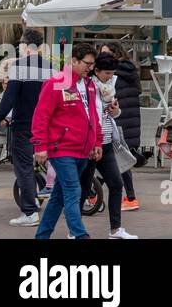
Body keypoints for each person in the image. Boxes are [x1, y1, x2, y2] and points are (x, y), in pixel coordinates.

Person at [32, 43, 101, 240]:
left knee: (59, 197)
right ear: (74, 61)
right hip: (61, 149)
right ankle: (80, 235)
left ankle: (42, 236)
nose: (89, 67)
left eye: (92, 64)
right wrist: (40, 146)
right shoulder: (57, 81)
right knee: (73, 191)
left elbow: (93, 116)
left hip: (83, 150)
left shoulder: (89, 84)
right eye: (86, 63)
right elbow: (41, 116)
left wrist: (96, 142)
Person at [0, 29, 54, 226]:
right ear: (40, 46)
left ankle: (30, 212)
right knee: (51, 165)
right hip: (47, 126)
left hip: (24, 125)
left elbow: (9, 100)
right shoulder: (51, 68)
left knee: (23, 167)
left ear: (24, 45)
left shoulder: (19, 67)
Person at [79, 55, 136, 239]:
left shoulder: (110, 87)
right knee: (84, 187)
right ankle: (75, 229)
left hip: (106, 142)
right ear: (96, 71)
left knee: (116, 184)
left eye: (112, 74)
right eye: (107, 73)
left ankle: (115, 229)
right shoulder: (87, 86)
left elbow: (114, 114)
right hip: (90, 144)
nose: (110, 77)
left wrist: (115, 110)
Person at [98, 42, 142, 211]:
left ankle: (130, 198)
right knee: (118, 159)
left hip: (119, 120)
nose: (103, 58)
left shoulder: (112, 75)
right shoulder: (129, 71)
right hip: (129, 120)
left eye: (106, 53)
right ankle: (95, 194)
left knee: (118, 159)